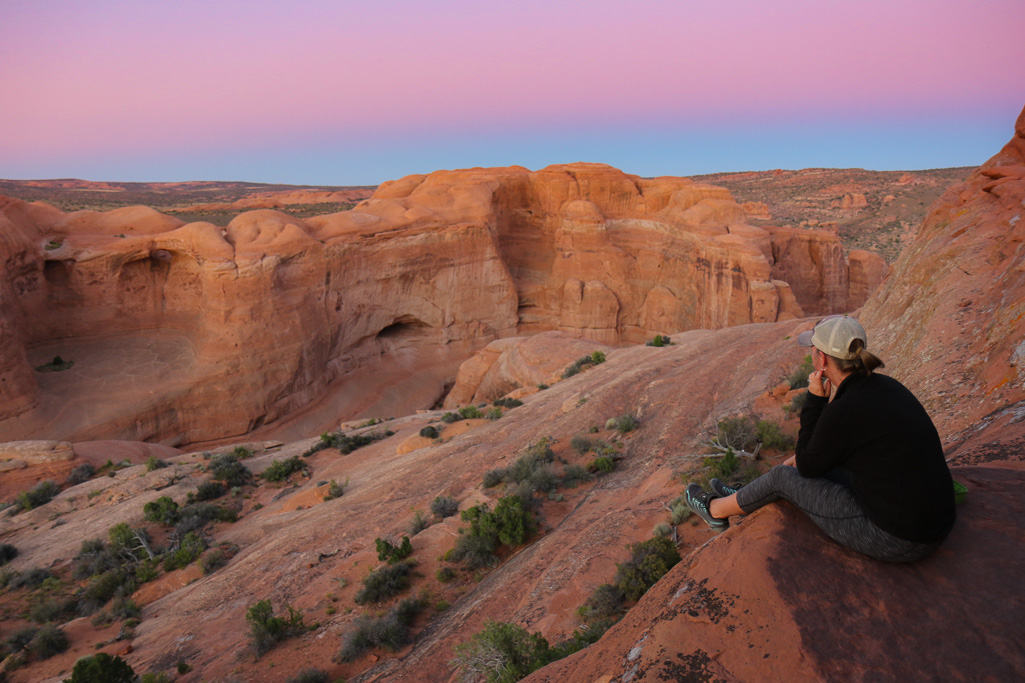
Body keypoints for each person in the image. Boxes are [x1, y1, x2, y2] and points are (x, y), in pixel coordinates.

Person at [684, 315, 956, 562]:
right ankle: (746, 496)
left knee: (783, 477)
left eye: (813, 349)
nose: (812, 354)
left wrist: (815, 400)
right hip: (933, 518)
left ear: (822, 360)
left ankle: (716, 510)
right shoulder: (886, 386)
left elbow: (808, 466)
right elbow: (828, 452)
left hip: (898, 537)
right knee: (803, 461)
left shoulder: (845, 410)